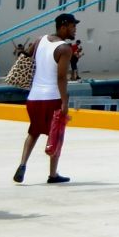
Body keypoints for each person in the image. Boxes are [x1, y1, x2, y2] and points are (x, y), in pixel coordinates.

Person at [14, 13, 77, 185]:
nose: (75, 30)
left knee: (33, 132)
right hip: (53, 97)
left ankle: (22, 164)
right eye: (73, 26)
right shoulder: (65, 49)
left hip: (33, 97)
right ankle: (53, 174)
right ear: (63, 27)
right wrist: (64, 101)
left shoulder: (39, 40)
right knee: (56, 135)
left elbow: (25, 56)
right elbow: (61, 77)